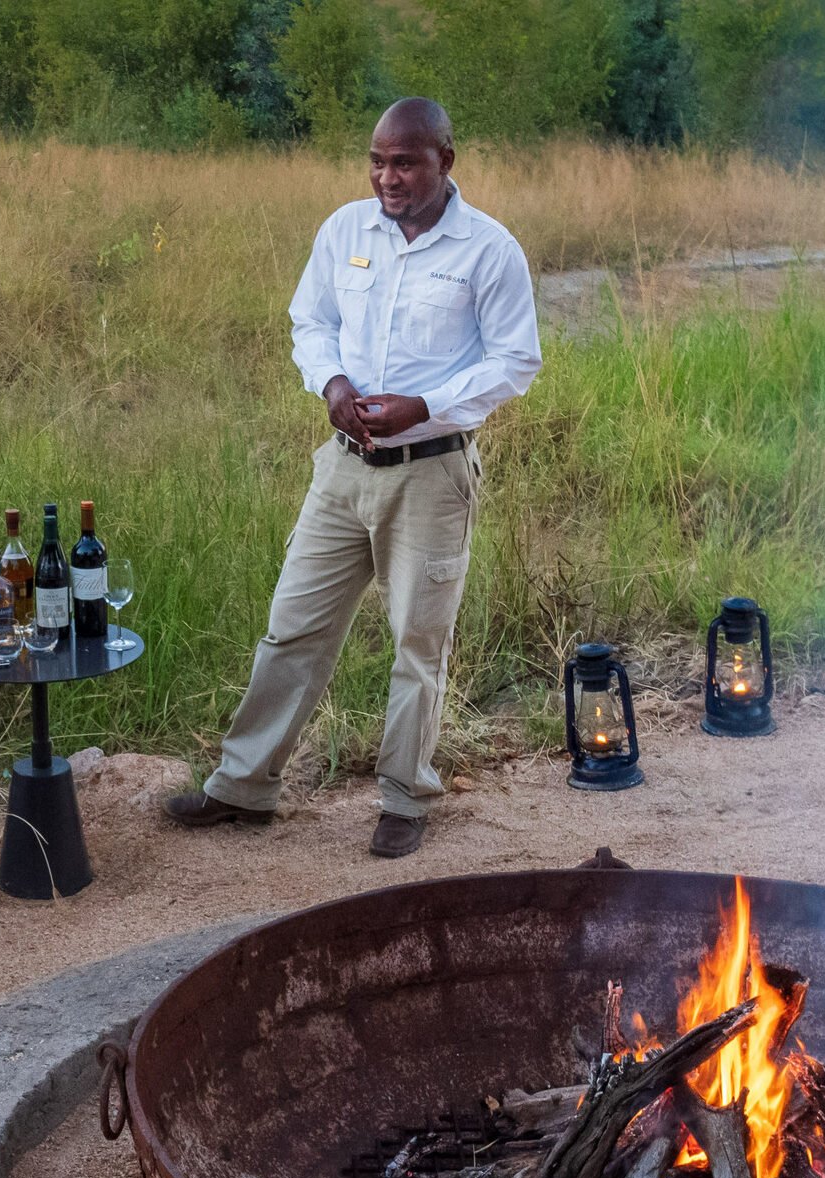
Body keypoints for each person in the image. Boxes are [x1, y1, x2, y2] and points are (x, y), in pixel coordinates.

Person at [164, 97, 544, 861]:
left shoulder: (488, 250)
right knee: (293, 628)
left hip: (431, 475)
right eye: (376, 160)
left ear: (446, 161)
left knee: (417, 642)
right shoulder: (345, 231)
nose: (386, 177)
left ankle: (404, 796)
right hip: (342, 470)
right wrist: (332, 386)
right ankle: (243, 786)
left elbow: (515, 361)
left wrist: (425, 406)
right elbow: (312, 321)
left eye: (404, 162)